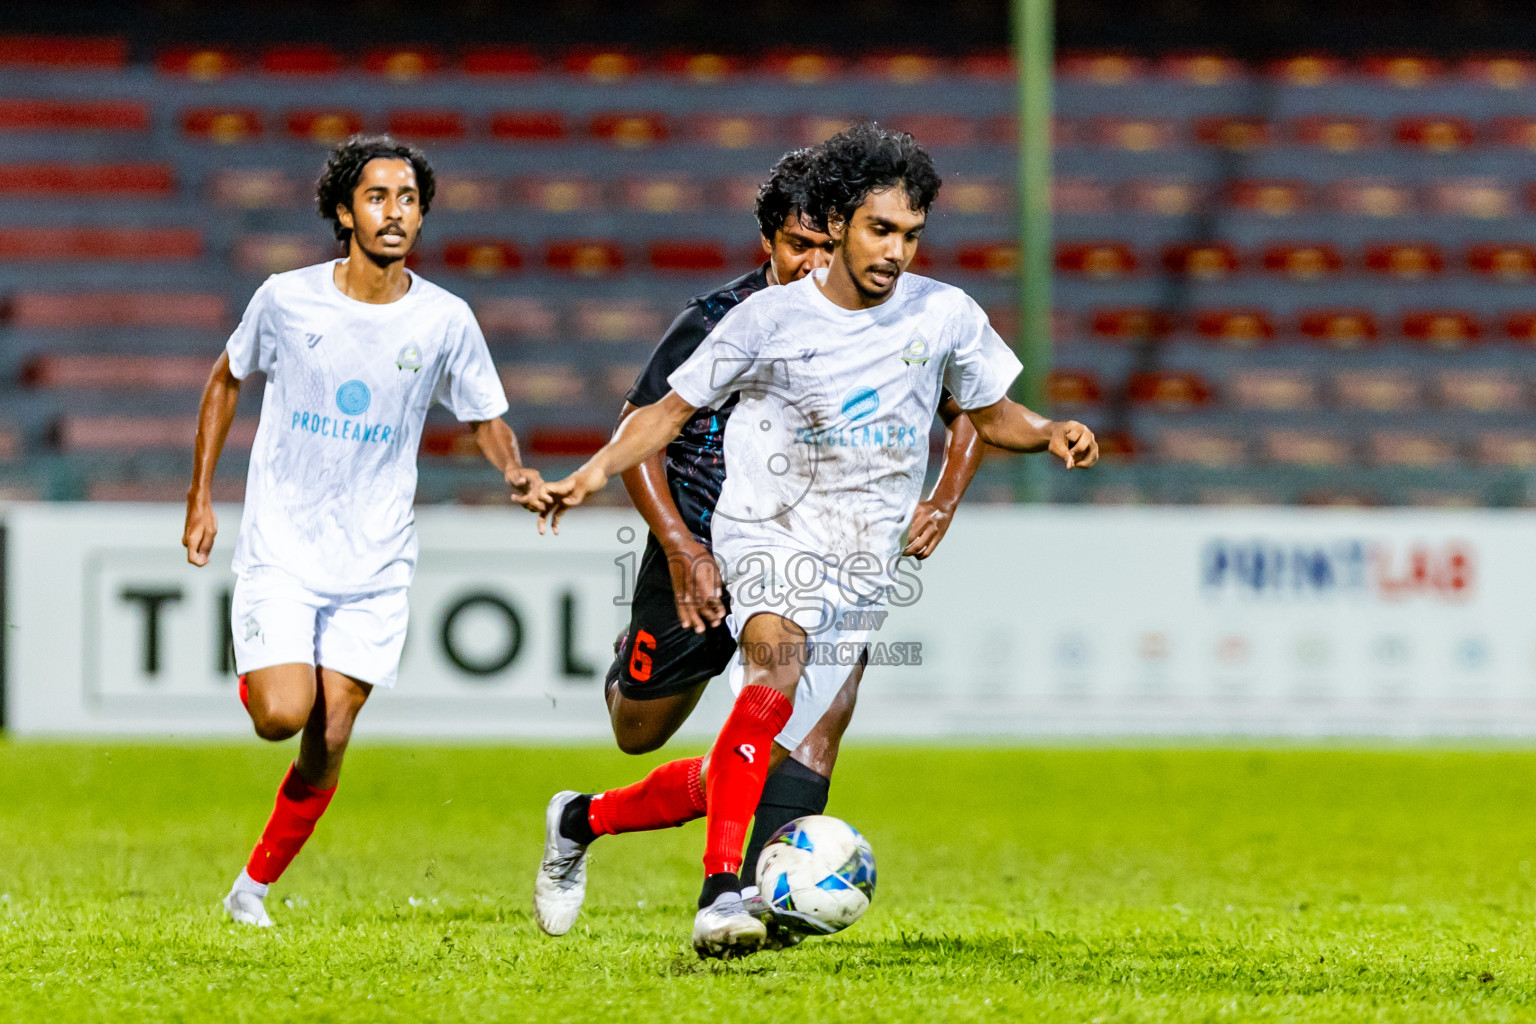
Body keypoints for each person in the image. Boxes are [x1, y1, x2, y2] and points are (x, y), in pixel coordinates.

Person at [531, 122, 1098, 958]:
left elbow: (989, 413)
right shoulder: (763, 319)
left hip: (861, 560)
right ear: (838, 223)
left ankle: (583, 818)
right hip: (765, 531)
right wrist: (588, 475)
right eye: (880, 229)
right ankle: (723, 893)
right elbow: (664, 413)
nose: (897, 250)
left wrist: (1049, 429)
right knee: (776, 668)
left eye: (911, 234)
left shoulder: (944, 313)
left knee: (767, 757)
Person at [181, 134, 544, 927]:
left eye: (409, 199)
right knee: (282, 715)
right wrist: (201, 496)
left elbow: (485, 415)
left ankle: (253, 889)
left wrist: (513, 471)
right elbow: (225, 379)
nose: (395, 213)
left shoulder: (445, 317)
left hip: (376, 559)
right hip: (284, 546)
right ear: (344, 212)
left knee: (331, 732)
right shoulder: (286, 298)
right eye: (378, 197)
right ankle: (260, 657)